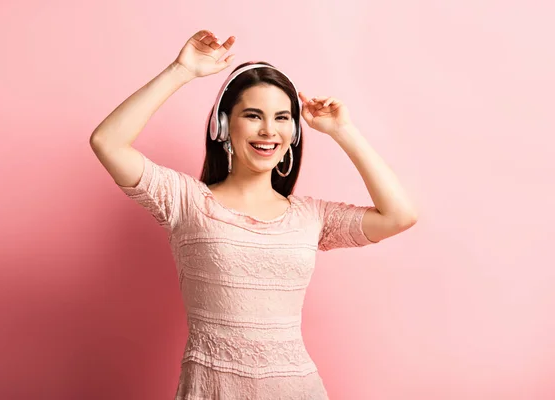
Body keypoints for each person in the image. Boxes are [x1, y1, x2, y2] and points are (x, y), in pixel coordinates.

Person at [90, 29, 417, 400]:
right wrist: (181, 70)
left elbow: (399, 215)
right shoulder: (185, 201)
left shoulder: (312, 217)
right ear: (223, 125)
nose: (268, 130)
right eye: (253, 115)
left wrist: (343, 130)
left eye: (281, 118)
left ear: (293, 132)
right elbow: (108, 141)